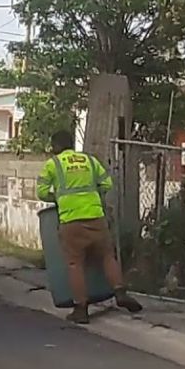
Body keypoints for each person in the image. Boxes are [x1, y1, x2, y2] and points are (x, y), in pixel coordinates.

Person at [36, 130, 142, 324]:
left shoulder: (53, 164)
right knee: (107, 256)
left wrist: (59, 198)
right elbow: (106, 184)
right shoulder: (90, 161)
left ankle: (81, 309)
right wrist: (93, 196)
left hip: (71, 220)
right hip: (96, 217)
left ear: (56, 146)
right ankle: (120, 292)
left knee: (75, 263)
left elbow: (41, 192)